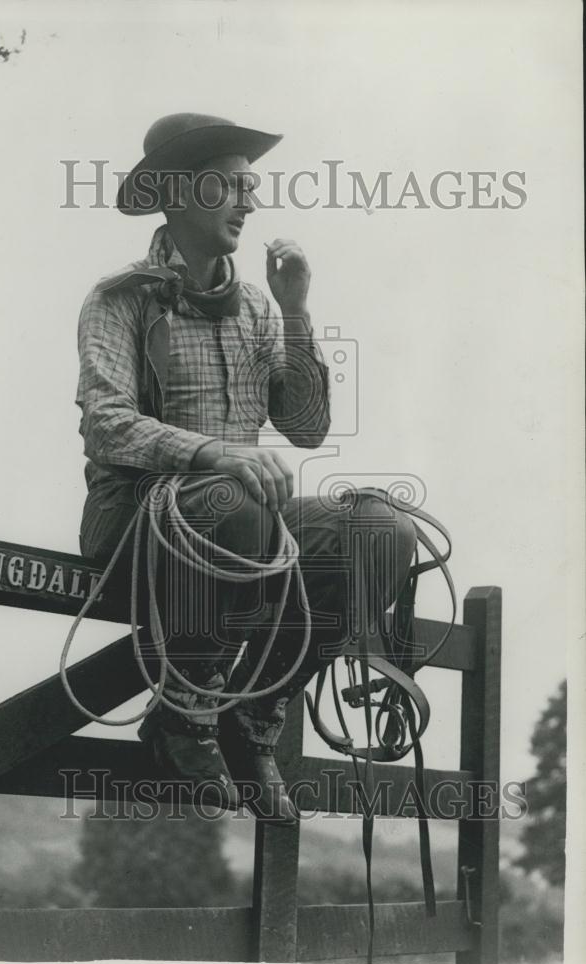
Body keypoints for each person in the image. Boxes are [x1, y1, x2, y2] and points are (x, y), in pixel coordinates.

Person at [75, 113, 416, 821]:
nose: (249, 203)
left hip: (243, 525)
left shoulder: (257, 308)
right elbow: (107, 425)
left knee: (379, 530)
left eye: (250, 187)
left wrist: (295, 310)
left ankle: (251, 718)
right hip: (140, 526)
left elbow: (305, 428)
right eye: (231, 186)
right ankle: (184, 712)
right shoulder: (119, 300)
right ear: (179, 192)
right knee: (235, 498)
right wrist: (212, 453)